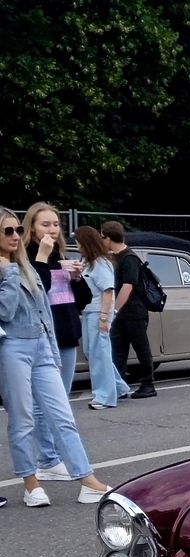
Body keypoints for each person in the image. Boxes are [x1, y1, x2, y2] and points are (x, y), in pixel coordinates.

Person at [0, 206, 111, 506]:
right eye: (8, 231)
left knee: (63, 416)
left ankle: (86, 478)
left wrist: (50, 348)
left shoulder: (25, 262)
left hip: (43, 344)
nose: (15, 236)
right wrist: (10, 269)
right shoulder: (11, 266)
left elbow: (42, 307)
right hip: (13, 347)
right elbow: (6, 311)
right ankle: (30, 482)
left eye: (17, 230)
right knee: (22, 419)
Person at [23, 203, 83, 481]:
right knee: (41, 403)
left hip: (67, 332)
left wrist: (78, 278)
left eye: (55, 224)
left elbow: (81, 300)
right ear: (31, 227)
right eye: (44, 224)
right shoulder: (26, 255)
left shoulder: (61, 253)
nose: (51, 229)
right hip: (42, 336)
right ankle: (47, 459)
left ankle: (55, 457)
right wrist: (44, 259)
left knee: (62, 401)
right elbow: (35, 291)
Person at [74, 226, 130, 409]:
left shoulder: (100, 262)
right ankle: (118, 387)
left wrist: (104, 318)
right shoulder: (88, 261)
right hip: (90, 312)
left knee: (99, 353)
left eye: (78, 241)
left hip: (98, 312)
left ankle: (104, 396)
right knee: (94, 352)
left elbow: (108, 291)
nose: (76, 244)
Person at [101, 221, 156, 399]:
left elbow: (127, 287)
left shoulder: (129, 258)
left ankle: (148, 384)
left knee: (141, 348)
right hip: (122, 314)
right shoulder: (114, 257)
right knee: (117, 349)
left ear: (108, 238)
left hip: (134, 312)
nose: (101, 241)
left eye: (102, 237)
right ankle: (119, 386)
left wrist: (113, 310)